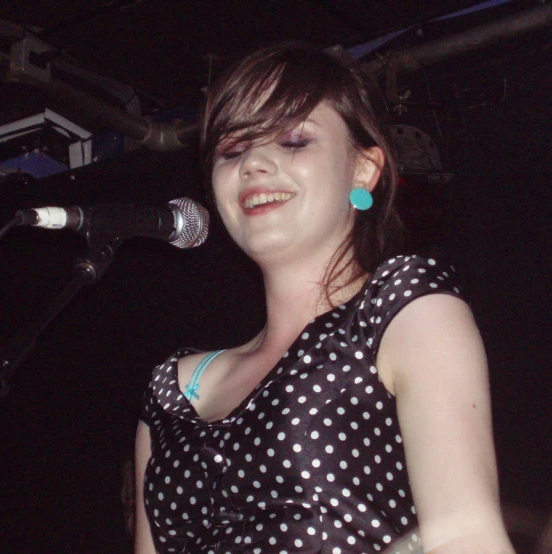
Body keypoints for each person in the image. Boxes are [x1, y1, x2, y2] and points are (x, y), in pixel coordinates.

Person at [134, 42, 515, 554]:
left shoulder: (403, 311)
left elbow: (465, 537)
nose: (253, 163)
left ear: (364, 169)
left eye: (293, 141)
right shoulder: (172, 389)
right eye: (231, 150)